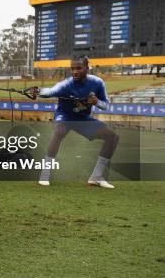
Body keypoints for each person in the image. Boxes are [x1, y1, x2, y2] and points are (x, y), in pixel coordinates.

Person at [28, 55, 118, 188]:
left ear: (87, 68)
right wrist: (38, 91)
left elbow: (106, 105)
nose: (75, 71)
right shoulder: (67, 84)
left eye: (79, 68)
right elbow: (51, 91)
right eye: (72, 68)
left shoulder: (98, 83)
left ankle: (96, 177)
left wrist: (97, 102)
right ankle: (45, 174)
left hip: (82, 118)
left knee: (112, 136)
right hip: (64, 116)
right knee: (59, 131)